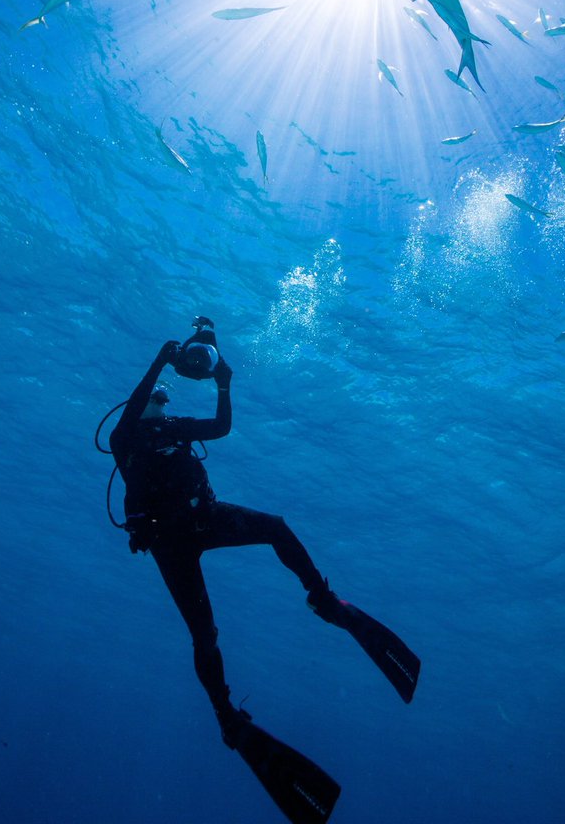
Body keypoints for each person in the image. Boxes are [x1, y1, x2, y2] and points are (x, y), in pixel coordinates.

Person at [109, 330, 420, 824]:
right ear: (139, 405)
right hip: (171, 544)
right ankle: (225, 715)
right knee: (204, 632)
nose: (164, 403)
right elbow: (144, 395)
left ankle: (323, 599)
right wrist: (160, 360)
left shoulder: (174, 430)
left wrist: (224, 382)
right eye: (157, 400)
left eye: (165, 399)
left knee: (275, 527)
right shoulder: (125, 438)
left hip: (206, 518)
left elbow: (221, 427)